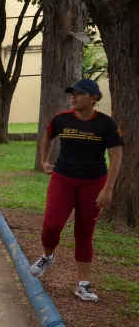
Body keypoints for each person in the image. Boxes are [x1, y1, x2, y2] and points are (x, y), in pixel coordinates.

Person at [29, 78, 123, 302]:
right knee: (51, 225)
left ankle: (82, 285)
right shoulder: (61, 119)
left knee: (84, 232)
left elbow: (117, 156)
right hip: (63, 179)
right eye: (72, 93)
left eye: (79, 93)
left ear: (93, 98)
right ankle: (48, 256)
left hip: (93, 182)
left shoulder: (107, 124)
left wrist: (108, 188)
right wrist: (44, 161)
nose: (73, 96)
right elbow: (47, 136)